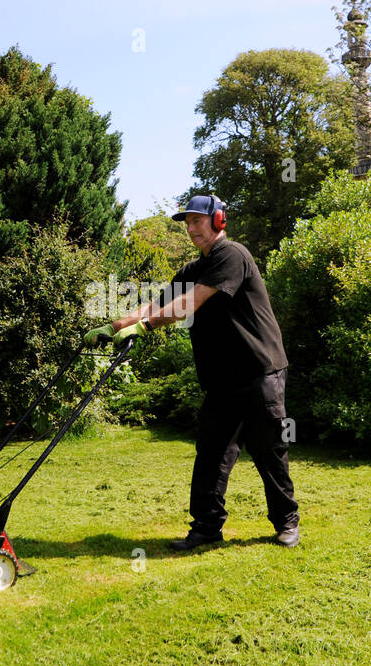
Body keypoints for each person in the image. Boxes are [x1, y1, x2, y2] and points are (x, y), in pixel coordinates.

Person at [84, 193, 300, 549]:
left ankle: (286, 522)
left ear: (218, 220)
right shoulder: (192, 269)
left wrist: (146, 327)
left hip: (260, 371)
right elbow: (158, 303)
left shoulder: (232, 256)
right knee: (211, 455)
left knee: (269, 450)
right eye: (187, 223)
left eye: (197, 221)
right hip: (222, 381)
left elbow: (189, 304)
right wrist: (114, 325)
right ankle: (206, 530)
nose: (191, 229)